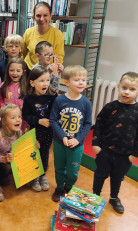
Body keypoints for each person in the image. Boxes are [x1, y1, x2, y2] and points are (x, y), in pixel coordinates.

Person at [92, 72, 138, 214]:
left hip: (125, 155)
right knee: (100, 174)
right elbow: (98, 124)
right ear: (118, 87)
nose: (127, 92)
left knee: (117, 177)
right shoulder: (110, 107)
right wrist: (96, 145)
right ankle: (95, 196)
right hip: (105, 151)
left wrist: (135, 155)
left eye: (132, 89)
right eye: (124, 88)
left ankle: (114, 197)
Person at [50, 65, 92, 202]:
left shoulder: (86, 103)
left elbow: (87, 124)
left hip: (76, 144)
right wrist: (62, 136)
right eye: (77, 80)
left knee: (73, 170)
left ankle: (68, 187)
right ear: (67, 82)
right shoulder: (59, 100)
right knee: (59, 167)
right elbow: (53, 120)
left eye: (84, 80)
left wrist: (78, 139)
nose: (81, 83)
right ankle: (59, 187)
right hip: (59, 142)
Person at [22, 66, 58, 192]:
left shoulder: (52, 96)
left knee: (45, 154)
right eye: (42, 81)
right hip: (34, 131)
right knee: (34, 154)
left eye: (47, 80)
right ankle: (34, 177)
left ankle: (42, 176)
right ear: (32, 83)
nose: (46, 84)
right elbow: (25, 115)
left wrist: (52, 121)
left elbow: (56, 110)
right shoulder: (28, 98)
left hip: (48, 131)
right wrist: (38, 121)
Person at [23, 2, 64, 70]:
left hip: (48, 72)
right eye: (38, 15)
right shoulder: (28, 32)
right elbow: (23, 53)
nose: (42, 19)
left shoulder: (57, 34)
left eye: (45, 15)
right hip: (29, 71)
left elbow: (59, 57)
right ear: (34, 17)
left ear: (50, 16)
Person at [0, 57, 28, 132]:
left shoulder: (26, 88)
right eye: (11, 70)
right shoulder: (3, 86)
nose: (15, 73)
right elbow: (0, 101)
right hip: (7, 120)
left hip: (21, 121)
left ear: (23, 72)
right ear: (7, 71)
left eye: (18, 71)